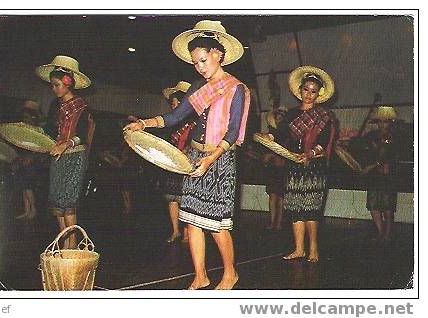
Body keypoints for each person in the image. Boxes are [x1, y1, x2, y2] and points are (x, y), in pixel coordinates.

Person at [125, 20, 250, 289]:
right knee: (192, 220)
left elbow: (232, 132)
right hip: (194, 157)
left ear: (219, 54)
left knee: (217, 223)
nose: (200, 67)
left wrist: (211, 159)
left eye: (203, 60)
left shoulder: (236, 88)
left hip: (219, 159)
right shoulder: (197, 88)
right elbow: (174, 117)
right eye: (195, 63)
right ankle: (200, 275)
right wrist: (144, 123)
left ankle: (230, 273)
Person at [266, 66, 337, 263]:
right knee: (295, 208)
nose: (309, 94)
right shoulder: (290, 114)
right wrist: (269, 137)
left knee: (311, 208)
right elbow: (280, 134)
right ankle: (299, 249)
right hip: (294, 165)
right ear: (300, 90)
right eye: (306, 89)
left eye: (313, 91)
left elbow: (323, 141)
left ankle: (313, 248)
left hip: (314, 167)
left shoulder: (324, 116)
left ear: (319, 94)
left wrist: (310, 153)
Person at [36, 55, 95, 249]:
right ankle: (64, 241)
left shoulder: (81, 106)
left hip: (74, 156)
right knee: (57, 203)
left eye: (57, 85)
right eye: (53, 85)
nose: (54, 89)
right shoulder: (56, 106)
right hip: (58, 156)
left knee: (68, 202)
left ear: (68, 83)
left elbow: (83, 136)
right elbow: (54, 131)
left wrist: (66, 144)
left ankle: (73, 243)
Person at [161, 81, 195, 243]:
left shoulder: (194, 123)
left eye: (176, 104)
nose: (173, 107)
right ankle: (176, 231)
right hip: (173, 166)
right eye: (172, 104)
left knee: (185, 200)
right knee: (171, 199)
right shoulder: (173, 124)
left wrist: (185, 152)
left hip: (188, 166)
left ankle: (187, 233)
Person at [361, 106, 398, 245]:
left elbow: (393, 155)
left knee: (387, 207)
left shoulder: (395, 136)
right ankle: (380, 232)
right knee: (374, 205)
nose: (383, 124)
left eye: (386, 121)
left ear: (390, 122)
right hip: (374, 174)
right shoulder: (371, 136)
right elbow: (365, 151)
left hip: (388, 176)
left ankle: (387, 234)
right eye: (380, 121)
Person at [13, 100, 43, 220]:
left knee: (29, 186)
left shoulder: (37, 130)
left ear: (32, 117)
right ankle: (26, 211)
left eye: (27, 117)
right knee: (24, 186)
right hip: (23, 159)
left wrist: (31, 157)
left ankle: (33, 210)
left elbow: (40, 146)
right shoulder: (24, 129)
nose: (25, 119)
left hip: (32, 161)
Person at [263, 106, 288, 231]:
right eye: (278, 116)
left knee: (281, 197)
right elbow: (267, 151)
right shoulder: (271, 133)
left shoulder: (288, 134)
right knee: (273, 196)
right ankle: (272, 222)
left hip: (283, 167)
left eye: (282, 116)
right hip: (273, 168)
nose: (279, 118)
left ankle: (279, 223)